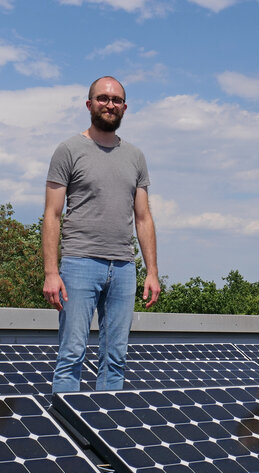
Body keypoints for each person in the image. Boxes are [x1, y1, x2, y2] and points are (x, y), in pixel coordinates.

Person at [43, 76, 161, 393]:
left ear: (124, 107)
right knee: (71, 358)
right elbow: (52, 214)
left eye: (116, 100)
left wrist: (151, 272)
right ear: (89, 104)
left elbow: (143, 217)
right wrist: (51, 272)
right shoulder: (68, 150)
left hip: (123, 268)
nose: (110, 104)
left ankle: (101, 438)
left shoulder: (135, 157)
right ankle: (66, 438)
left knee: (115, 362)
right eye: (103, 98)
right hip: (79, 264)